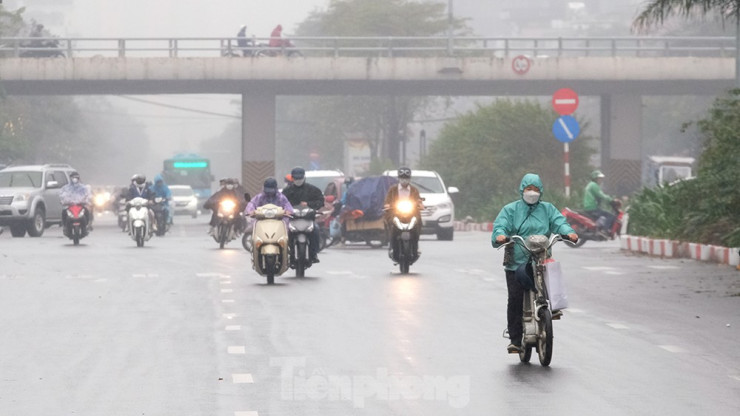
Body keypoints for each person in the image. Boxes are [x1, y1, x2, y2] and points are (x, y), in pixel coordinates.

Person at [491, 173, 578, 353]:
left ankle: (553, 307)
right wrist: (500, 235)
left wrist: (568, 232)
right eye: (529, 189)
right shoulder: (511, 210)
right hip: (517, 262)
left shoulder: (547, 209)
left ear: (541, 191)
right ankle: (515, 339)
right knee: (515, 299)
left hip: (541, 258)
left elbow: (559, 222)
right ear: (522, 190)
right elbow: (501, 225)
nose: (532, 193)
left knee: (552, 272)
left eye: (536, 189)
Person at [282, 166, 324, 264]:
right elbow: (281, 202)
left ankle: (314, 254)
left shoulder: (312, 190)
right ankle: (287, 254)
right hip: (292, 220)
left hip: (308, 219)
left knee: (316, 231)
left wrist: (309, 204)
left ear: (304, 177)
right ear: (292, 178)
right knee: (285, 234)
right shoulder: (287, 191)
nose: (298, 180)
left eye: (300, 178)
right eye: (296, 178)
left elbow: (320, 201)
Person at [383, 167, 423, 262]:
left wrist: (420, 205)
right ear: (399, 179)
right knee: (391, 225)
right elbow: (387, 202)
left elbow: (419, 201)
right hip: (396, 214)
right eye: (402, 178)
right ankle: (392, 247)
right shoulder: (392, 190)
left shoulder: (414, 190)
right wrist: (388, 206)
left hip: (411, 214)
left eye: (406, 178)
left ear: (409, 179)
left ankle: (416, 246)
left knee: (418, 223)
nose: (404, 180)